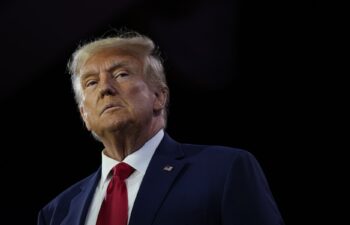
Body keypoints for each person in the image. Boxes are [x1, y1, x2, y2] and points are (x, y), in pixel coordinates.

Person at [38, 31, 284, 225]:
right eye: (91, 82)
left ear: (159, 96)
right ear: (85, 116)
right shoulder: (58, 212)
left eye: (121, 74)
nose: (105, 88)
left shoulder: (224, 170)